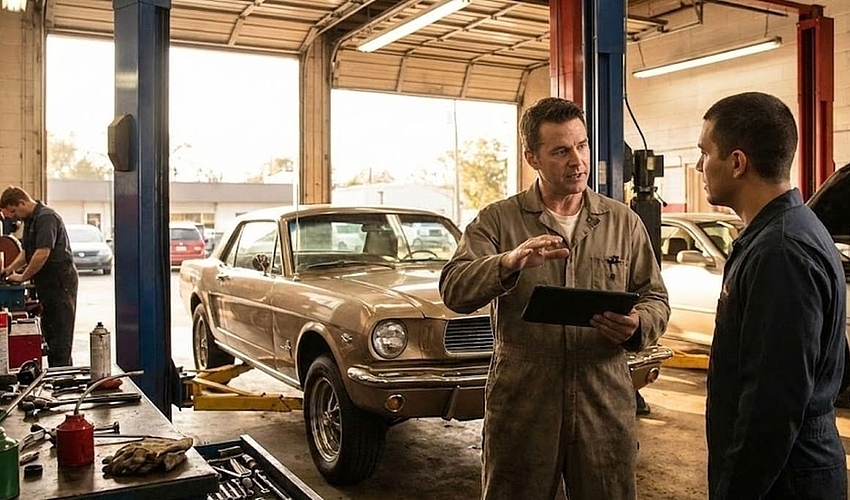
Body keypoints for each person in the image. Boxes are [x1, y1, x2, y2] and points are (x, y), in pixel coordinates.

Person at [439, 97, 670, 499]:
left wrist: (638, 325)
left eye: (582, 146)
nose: (577, 161)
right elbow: (454, 289)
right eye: (561, 151)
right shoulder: (499, 220)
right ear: (532, 157)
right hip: (524, 403)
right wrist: (507, 263)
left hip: (604, 399)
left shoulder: (623, 223)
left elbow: (656, 298)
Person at [698, 92, 847, 499]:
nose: (699, 166)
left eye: (704, 152)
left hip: (785, 480)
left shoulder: (780, 250)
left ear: (737, 163)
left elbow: (772, 406)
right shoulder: (784, 232)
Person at [0, 186, 79, 367]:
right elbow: (27, 252)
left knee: (60, 338)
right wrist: (9, 270)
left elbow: (43, 252)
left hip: (60, 284)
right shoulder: (30, 220)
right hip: (47, 284)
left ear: (22, 202)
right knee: (51, 335)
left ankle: (62, 376)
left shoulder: (46, 217)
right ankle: (56, 374)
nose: (13, 217)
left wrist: (23, 277)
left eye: (13, 211)